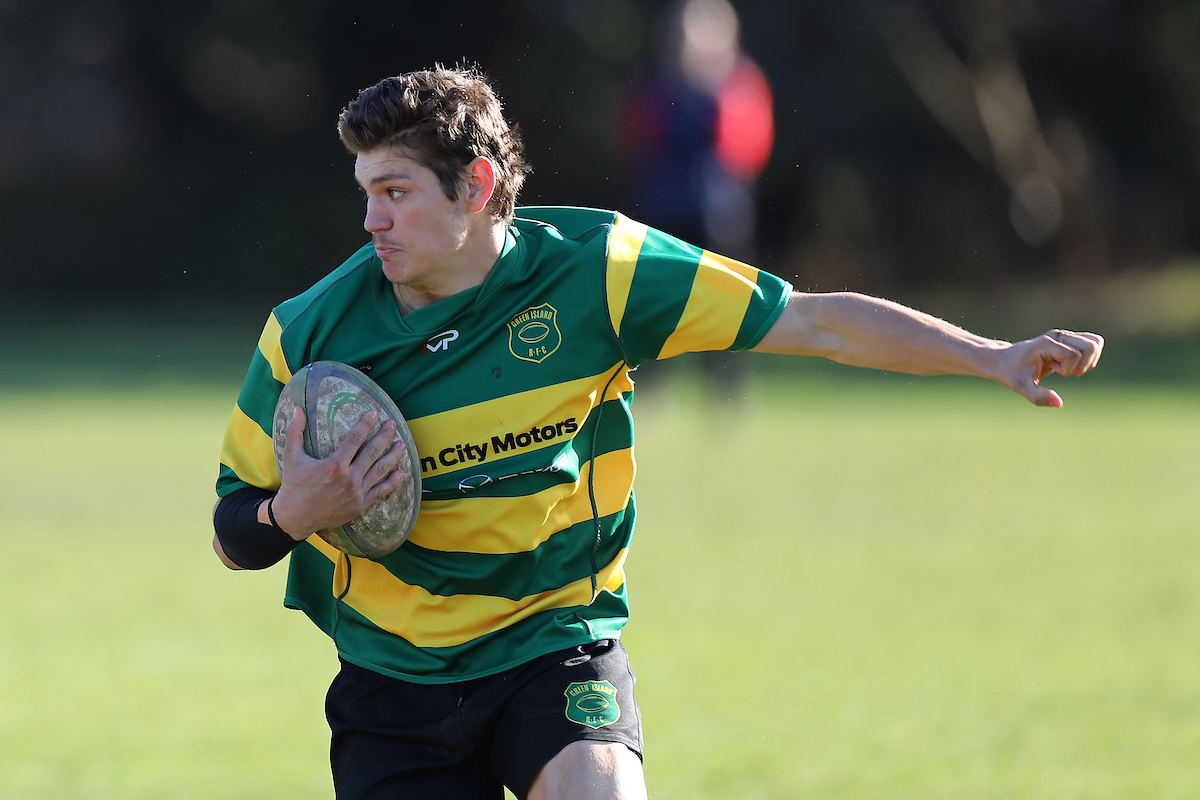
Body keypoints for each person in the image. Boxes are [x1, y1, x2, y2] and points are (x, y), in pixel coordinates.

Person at [212, 65, 1104, 800]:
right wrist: (293, 511)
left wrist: (992, 355)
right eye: (367, 192)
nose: (371, 220)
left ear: (477, 186)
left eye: (396, 192)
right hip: (392, 684)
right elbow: (231, 532)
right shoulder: (308, 335)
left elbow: (815, 322)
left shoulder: (599, 273)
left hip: (552, 647)